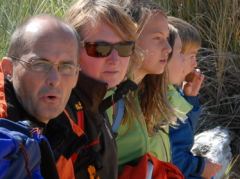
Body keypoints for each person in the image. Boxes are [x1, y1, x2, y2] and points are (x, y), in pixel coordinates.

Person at [45, 0, 139, 178]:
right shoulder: (59, 114)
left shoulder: (94, 101)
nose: (114, 59)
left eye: (124, 48)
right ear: (71, 50)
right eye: (100, 49)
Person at [106, 1, 183, 178]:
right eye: (158, 38)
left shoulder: (135, 93)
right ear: (129, 39)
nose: (168, 48)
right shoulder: (110, 98)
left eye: (167, 38)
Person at [0, 14, 80, 178]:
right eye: (40, 65)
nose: (54, 80)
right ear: (9, 69)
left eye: (66, 67)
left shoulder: (65, 133)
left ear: (76, 77)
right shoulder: (4, 138)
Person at [168, 16, 222, 179]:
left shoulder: (173, 93)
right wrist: (201, 167)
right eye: (191, 56)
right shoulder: (161, 99)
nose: (195, 64)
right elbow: (172, 157)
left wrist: (189, 99)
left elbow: (183, 135)